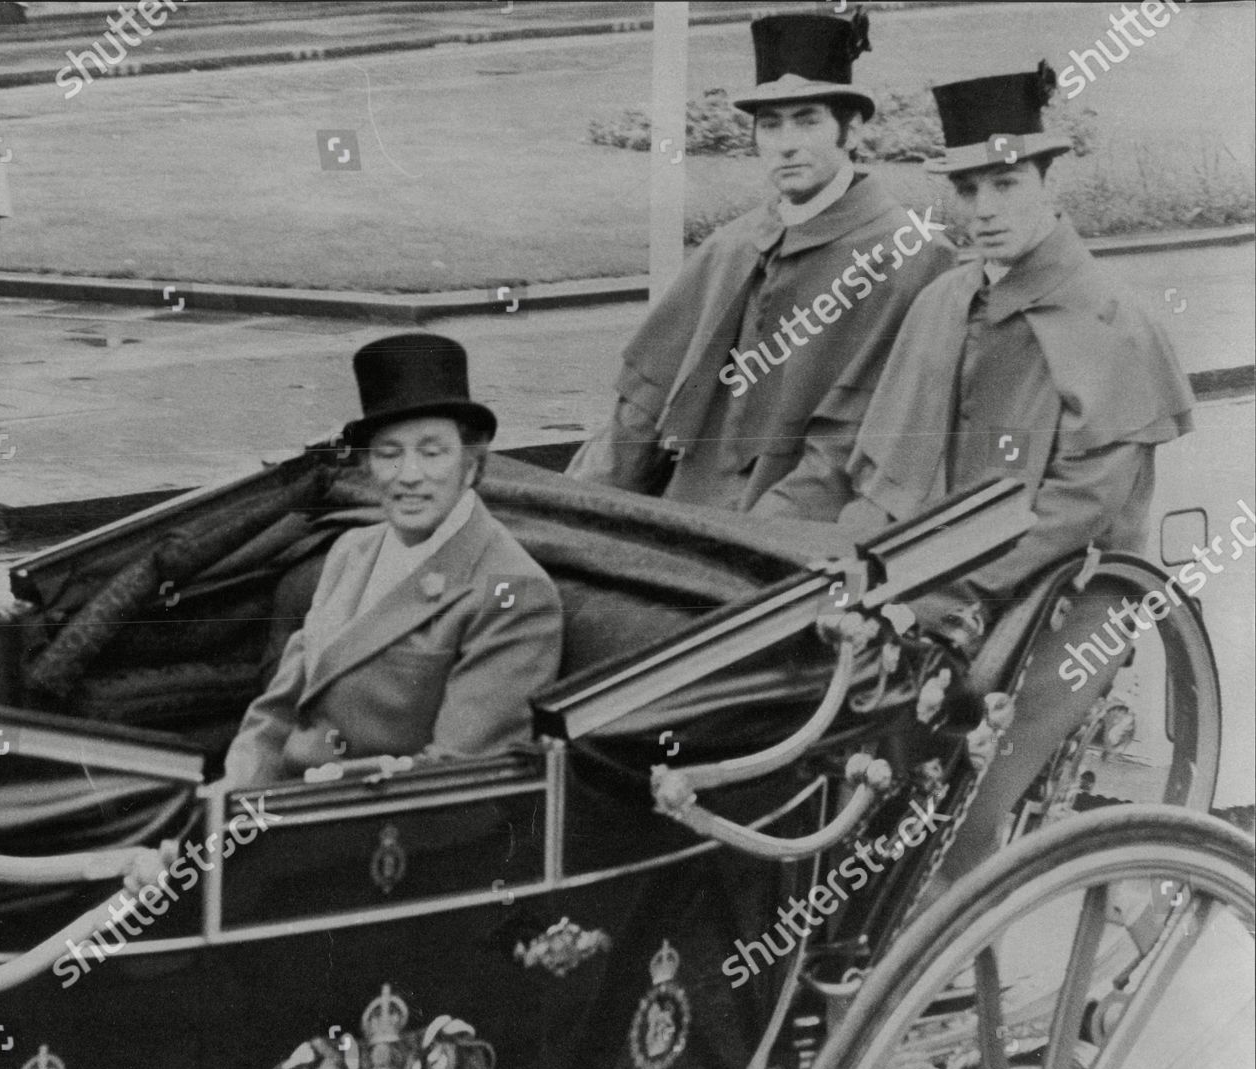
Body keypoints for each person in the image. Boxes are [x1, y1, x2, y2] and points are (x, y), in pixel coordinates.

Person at [763, 63, 1194, 892]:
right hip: (924, 574)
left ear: (1046, 180)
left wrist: (941, 584)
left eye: (1004, 184)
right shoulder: (944, 301)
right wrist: (849, 566)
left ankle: (934, 919)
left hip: (1063, 598)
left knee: (959, 770)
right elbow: (885, 473)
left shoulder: (1109, 319)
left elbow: (1080, 510)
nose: (983, 210)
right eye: (967, 190)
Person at [566, 9, 954, 513]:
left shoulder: (911, 257)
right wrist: (577, 510)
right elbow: (640, 415)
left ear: (852, 131)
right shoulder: (731, 247)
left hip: (809, 530)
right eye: (770, 125)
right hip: (689, 511)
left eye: (808, 120)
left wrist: (758, 532)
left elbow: (861, 444)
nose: (787, 143)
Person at [215, 334, 564, 790]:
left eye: (432, 452)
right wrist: (226, 802)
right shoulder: (351, 551)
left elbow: (457, 774)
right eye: (389, 453)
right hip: (276, 809)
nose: (409, 475)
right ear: (368, 466)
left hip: (377, 826)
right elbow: (277, 712)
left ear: (472, 465)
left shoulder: (512, 590)